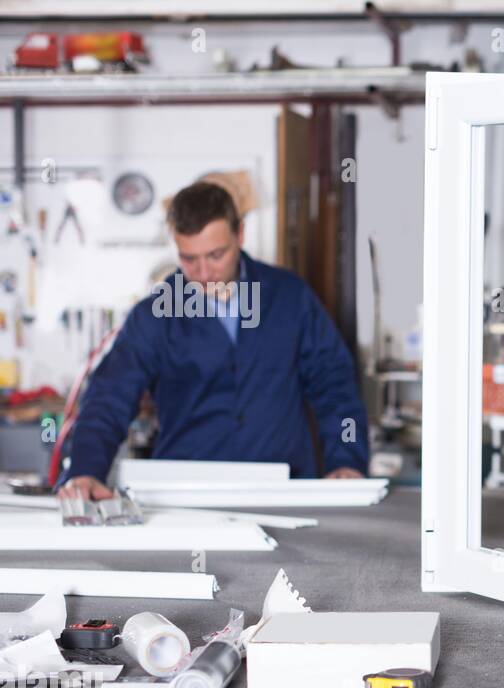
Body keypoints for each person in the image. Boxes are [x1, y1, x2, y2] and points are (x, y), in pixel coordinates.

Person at [58, 181, 368, 499]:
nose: (204, 273)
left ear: (240, 235)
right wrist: (85, 470)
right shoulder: (154, 315)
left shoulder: (290, 297)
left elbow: (335, 387)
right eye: (189, 259)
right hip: (183, 496)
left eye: (216, 255)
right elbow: (109, 396)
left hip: (284, 489)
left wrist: (346, 460)